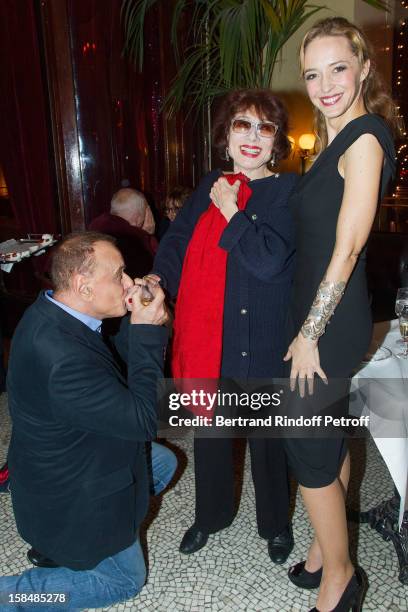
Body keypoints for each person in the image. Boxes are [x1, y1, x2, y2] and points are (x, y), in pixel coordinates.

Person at [149, 89, 297, 564]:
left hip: (269, 337)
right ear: (225, 137)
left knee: (268, 442)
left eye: (265, 128)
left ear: (277, 142)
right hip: (214, 339)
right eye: (241, 125)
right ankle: (210, 516)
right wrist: (158, 276)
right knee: (213, 437)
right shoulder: (211, 184)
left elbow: (270, 262)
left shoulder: (289, 192)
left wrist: (233, 210)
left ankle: (275, 524)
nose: (252, 137)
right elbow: (177, 241)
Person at [283, 17, 398, 612]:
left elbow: (349, 247)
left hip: (329, 322)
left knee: (304, 441)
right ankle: (326, 551)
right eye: (312, 73)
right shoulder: (332, 142)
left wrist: (308, 334)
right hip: (315, 313)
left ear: (364, 69)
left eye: (338, 68)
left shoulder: (366, 137)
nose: (325, 84)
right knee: (323, 440)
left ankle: (342, 577)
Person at [0, 232, 172, 610]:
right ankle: (11, 596)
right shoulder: (61, 358)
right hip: (68, 495)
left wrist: (135, 320)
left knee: (165, 461)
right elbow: (145, 420)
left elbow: (111, 372)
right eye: (119, 275)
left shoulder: (55, 309)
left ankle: (99, 535)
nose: (129, 282)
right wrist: (147, 331)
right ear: (83, 285)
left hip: (62, 460)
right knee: (125, 581)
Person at [89, 188, 158, 278]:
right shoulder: (137, 239)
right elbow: (153, 274)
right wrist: (148, 235)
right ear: (137, 218)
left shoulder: (95, 226)